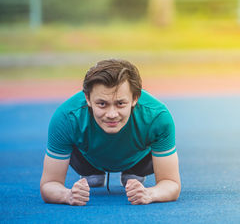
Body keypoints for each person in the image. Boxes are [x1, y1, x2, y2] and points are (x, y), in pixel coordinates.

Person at [40, 59, 180, 206]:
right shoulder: (66, 117)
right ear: (87, 98)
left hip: (140, 160)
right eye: (102, 104)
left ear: (135, 98)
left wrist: (149, 193)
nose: (111, 114)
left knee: (132, 180)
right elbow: (49, 184)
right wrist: (67, 195)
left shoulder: (158, 117)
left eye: (120, 103)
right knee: (93, 180)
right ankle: (91, 171)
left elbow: (171, 183)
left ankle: (134, 170)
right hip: (86, 159)